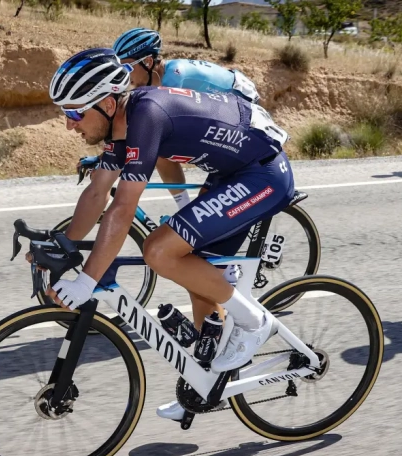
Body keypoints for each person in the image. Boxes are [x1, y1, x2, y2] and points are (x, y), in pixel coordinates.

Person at [46, 48, 293, 421]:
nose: (69, 125)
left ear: (109, 103)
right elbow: (97, 193)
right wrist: (61, 242)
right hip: (231, 174)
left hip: (263, 175)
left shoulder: (146, 116)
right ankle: (206, 383)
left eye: (76, 113)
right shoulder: (121, 125)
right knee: (200, 278)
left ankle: (255, 324)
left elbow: (123, 207)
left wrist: (86, 280)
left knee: (159, 251)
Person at [74, 28, 261, 218]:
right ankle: (185, 209)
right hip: (225, 108)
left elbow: (147, 132)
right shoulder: (157, 79)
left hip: (244, 110)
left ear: (147, 62)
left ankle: (186, 211)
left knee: (161, 148)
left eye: (127, 67)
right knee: (162, 151)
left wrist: (108, 159)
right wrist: (107, 157)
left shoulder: (174, 78)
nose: (123, 75)